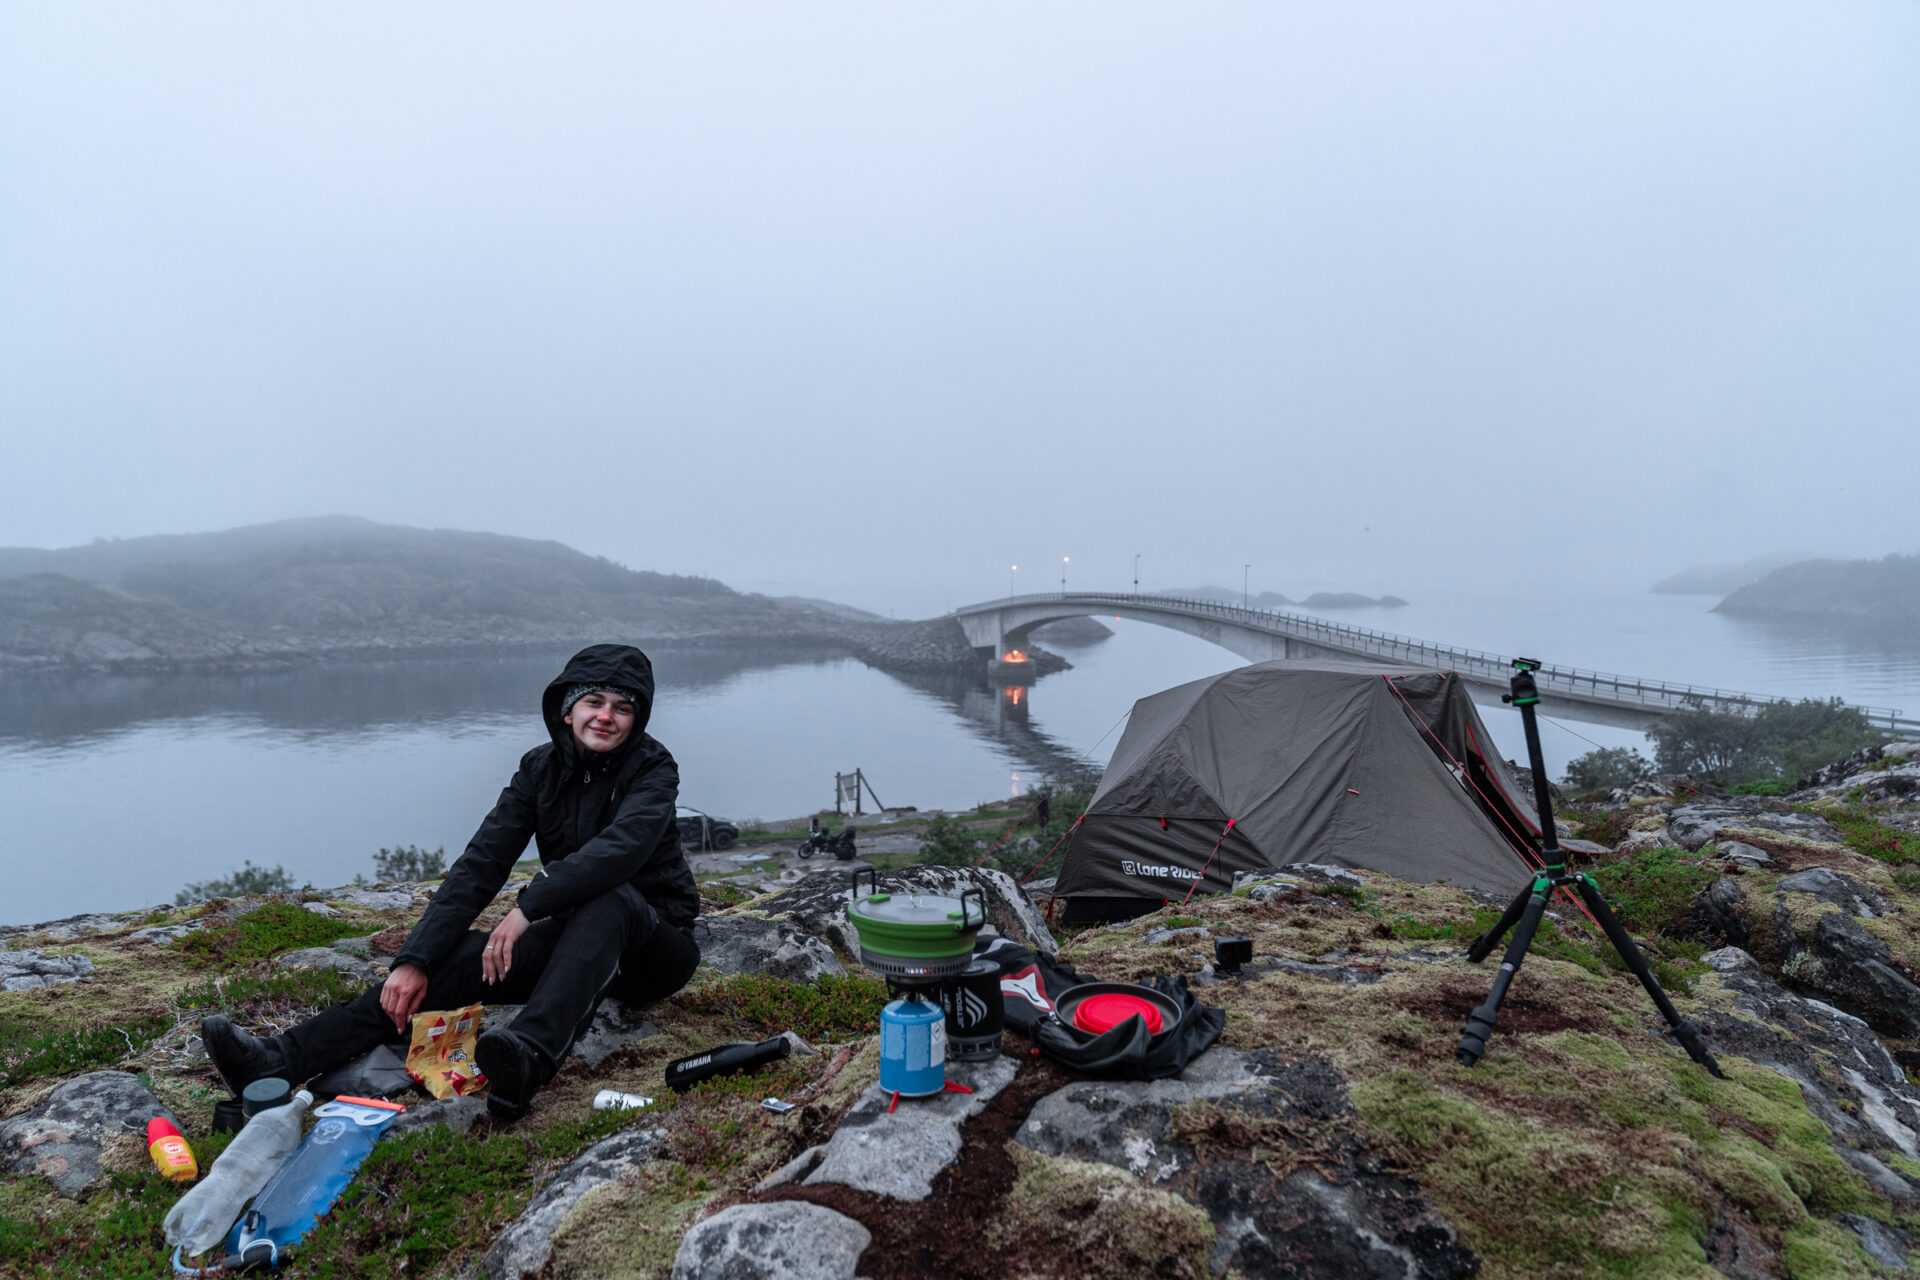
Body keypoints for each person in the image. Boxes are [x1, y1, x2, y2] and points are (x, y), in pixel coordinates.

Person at [201, 643, 701, 1119]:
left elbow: (621, 851)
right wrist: (416, 957)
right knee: (450, 964)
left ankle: (526, 1055)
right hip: (576, 941)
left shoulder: (653, 769)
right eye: (593, 702)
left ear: (637, 721)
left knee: (611, 896)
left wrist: (527, 908)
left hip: (654, 948)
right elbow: (481, 863)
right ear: (566, 710)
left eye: (622, 708)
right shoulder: (540, 770)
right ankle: (277, 1060)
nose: (605, 717)